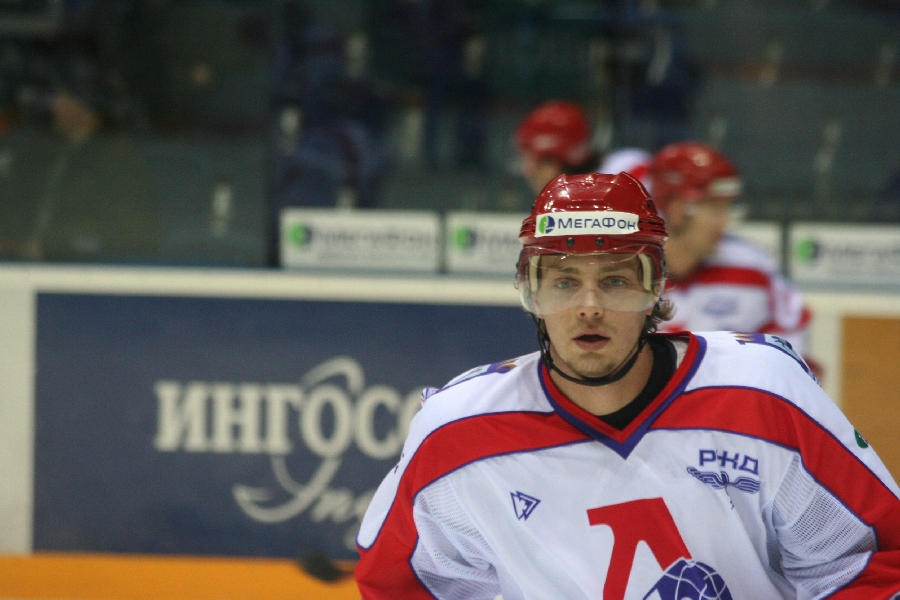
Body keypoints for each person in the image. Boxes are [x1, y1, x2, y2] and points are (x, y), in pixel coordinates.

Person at [355, 172, 900, 598]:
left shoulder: (763, 395)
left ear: (656, 289)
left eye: (615, 280)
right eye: (564, 282)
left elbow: (869, 562)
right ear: (531, 294)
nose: (589, 306)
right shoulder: (456, 434)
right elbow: (403, 586)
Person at [648, 141, 814, 362]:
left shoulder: (753, 267)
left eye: (727, 209)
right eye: (715, 209)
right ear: (677, 210)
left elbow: (792, 350)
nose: (725, 222)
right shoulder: (628, 269)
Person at [514, 99, 651, 195]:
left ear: (568, 162)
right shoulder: (550, 206)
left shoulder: (627, 170)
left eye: (542, 163)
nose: (529, 171)